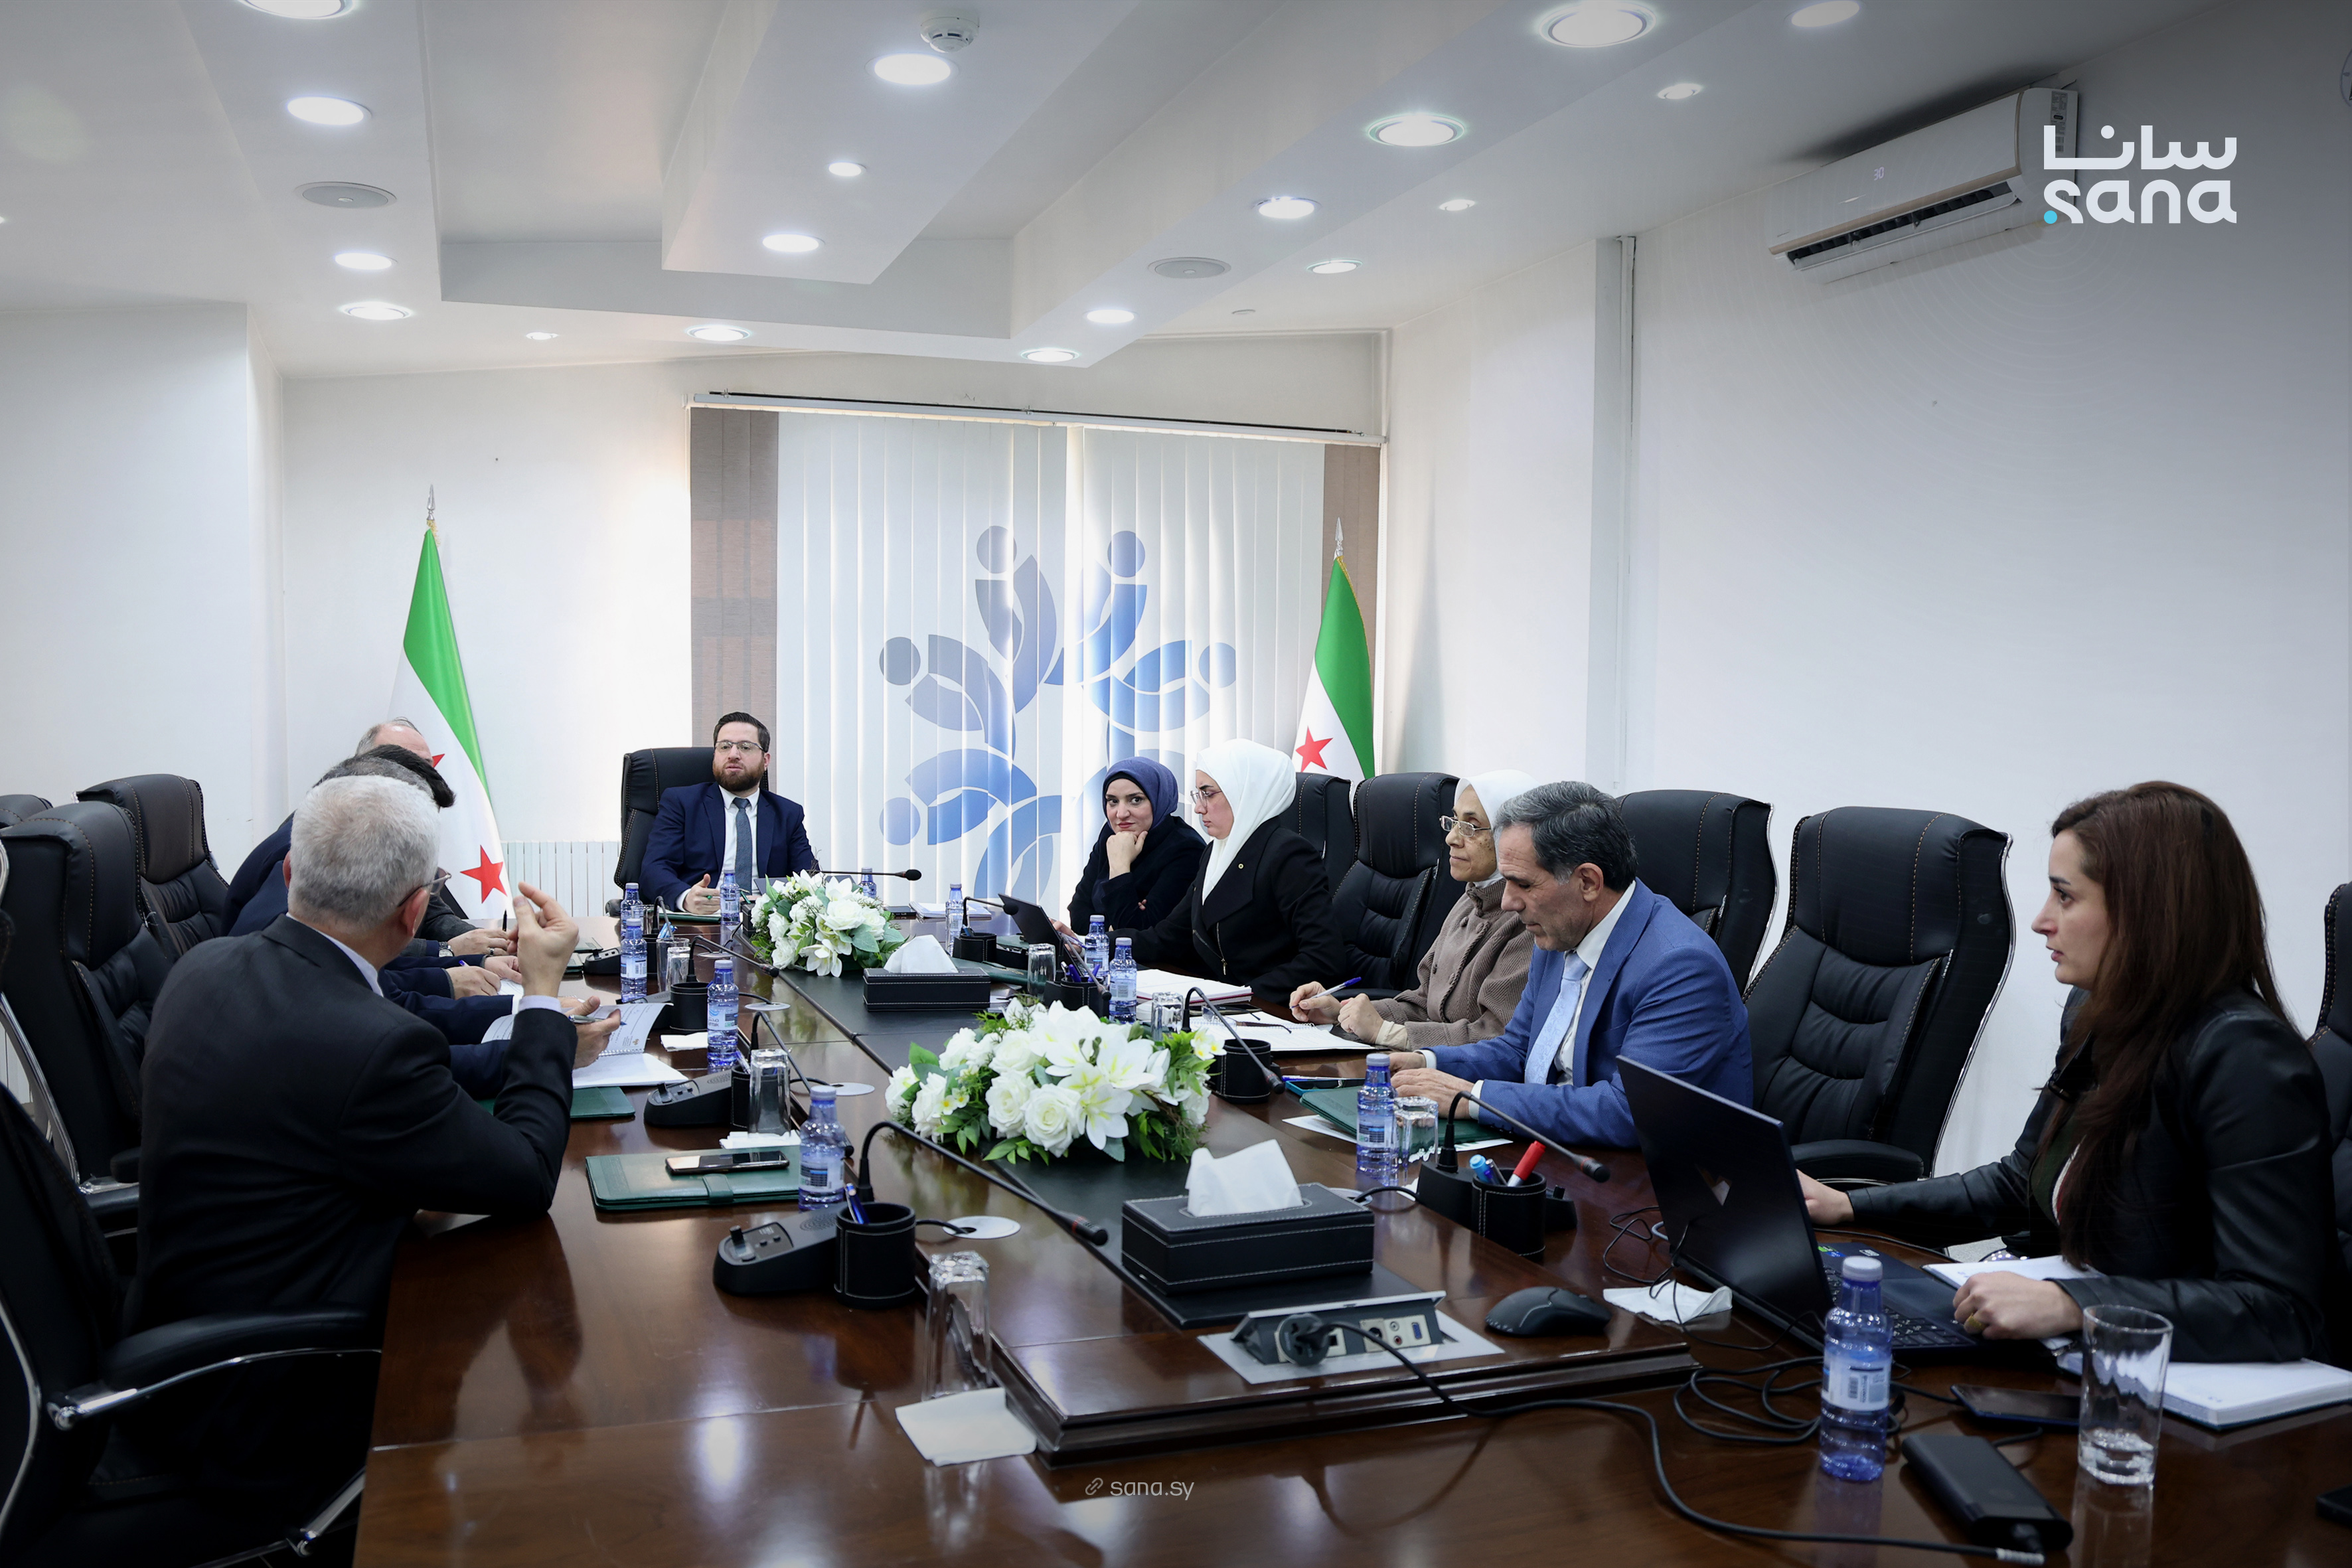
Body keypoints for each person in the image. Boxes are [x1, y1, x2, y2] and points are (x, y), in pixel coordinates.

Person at [131, 775, 582, 1494]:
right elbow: (526, 1174)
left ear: (289, 874)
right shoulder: (374, 1044)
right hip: (277, 1399)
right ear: (414, 913)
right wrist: (542, 993)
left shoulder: (200, 965)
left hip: (179, 1351)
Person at [1800, 783, 2337, 1364]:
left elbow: (2278, 1309)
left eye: (2064, 896)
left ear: (2146, 911)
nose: (2040, 921)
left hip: (2176, 1384)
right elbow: (2021, 1184)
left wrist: (2072, 1304)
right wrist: (1848, 1206)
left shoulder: (2243, 1056)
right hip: (2089, 1349)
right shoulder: (2099, 1010)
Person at [1389, 781, 1751, 1148]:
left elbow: (1629, 1112)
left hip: (1644, 1172)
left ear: (1588, 882)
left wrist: (1473, 1098)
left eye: (1522, 884)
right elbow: (1519, 1050)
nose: (1509, 902)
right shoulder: (1558, 931)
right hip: (1559, 1148)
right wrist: (1426, 1063)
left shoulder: (1680, 967)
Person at [1290, 768, 1537, 1048]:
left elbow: (1497, 1038)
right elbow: (1423, 1004)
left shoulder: (1530, 922)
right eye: (1453, 822)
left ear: (1513, 836)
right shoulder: (1469, 901)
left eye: (1470, 826)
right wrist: (1341, 1012)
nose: (1451, 838)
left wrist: (1389, 1033)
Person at [226, 734, 507, 954]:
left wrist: (491, 943)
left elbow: (429, 914)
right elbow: (305, 947)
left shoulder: (383, 838)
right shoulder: (316, 843)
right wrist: (445, 952)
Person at [1121, 738, 1344, 996]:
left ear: (1244, 792)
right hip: (1227, 1002)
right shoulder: (1216, 852)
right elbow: (1169, 937)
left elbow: (1323, 959)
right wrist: (1096, 943)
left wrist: (1239, 996)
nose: (1199, 808)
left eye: (1208, 794)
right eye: (1198, 795)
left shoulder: (1289, 854)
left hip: (1271, 1006)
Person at [641, 711, 819, 913]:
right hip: (703, 918)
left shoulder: (788, 814)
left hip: (766, 920)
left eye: (745, 747)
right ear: (715, 756)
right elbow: (654, 869)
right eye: (725, 747)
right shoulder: (682, 803)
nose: (733, 754)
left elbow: (810, 880)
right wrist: (685, 898)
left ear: (766, 760)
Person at [1064, 759, 1207, 933]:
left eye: (1136, 800)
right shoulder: (1111, 834)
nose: (1121, 814)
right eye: (1113, 801)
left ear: (1159, 799)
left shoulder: (1187, 850)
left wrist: (1120, 869)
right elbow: (1078, 914)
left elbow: (1143, 935)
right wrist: (1112, 928)